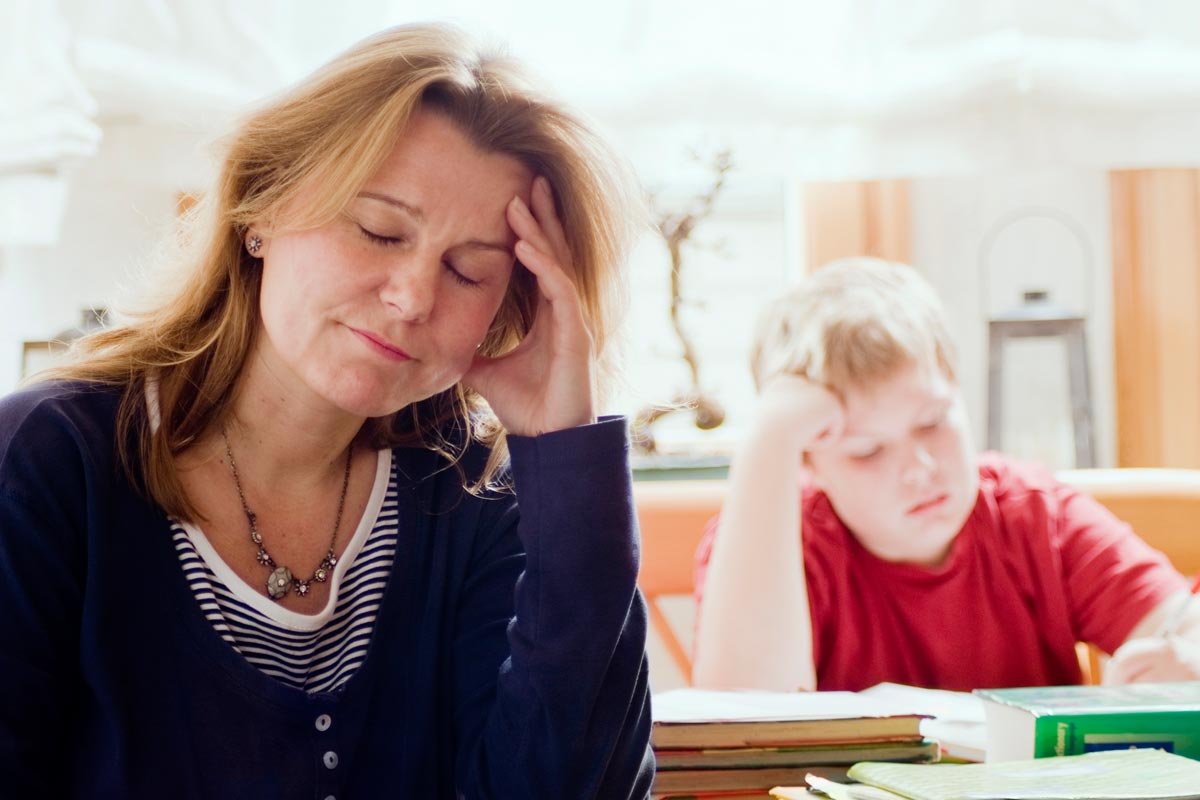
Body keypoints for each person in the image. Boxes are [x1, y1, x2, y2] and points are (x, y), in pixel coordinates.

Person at [0, 24, 654, 797]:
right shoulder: (49, 460)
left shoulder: (480, 494)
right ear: (261, 208)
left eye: (469, 271)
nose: (413, 297)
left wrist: (565, 450)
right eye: (378, 231)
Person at [692, 257, 1200, 693]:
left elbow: (1181, 627)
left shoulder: (1036, 515)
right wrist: (767, 441)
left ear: (959, 393)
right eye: (867, 451)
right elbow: (741, 718)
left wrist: (1187, 656)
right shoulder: (773, 540)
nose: (918, 469)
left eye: (932, 422)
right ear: (807, 465)